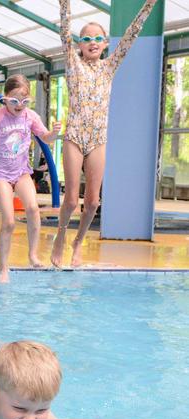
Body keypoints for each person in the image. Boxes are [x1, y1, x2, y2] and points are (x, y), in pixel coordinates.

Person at [51, 0, 159, 268]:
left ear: (105, 44)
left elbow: (131, 35)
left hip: (98, 139)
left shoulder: (110, 67)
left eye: (98, 38)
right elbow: (64, 31)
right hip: (75, 136)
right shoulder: (72, 64)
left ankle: (78, 242)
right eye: (86, 38)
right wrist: (65, 4)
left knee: (93, 202)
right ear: (79, 44)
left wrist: (148, 6)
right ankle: (61, 235)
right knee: (71, 199)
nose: (93, 42)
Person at [0, 74, 61, 283]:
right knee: (8, 221)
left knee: (33, 209)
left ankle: (32, 254)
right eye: (14, 101)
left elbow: (45, 138)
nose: (19, 106)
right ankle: (3, 268)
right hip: (2, 176)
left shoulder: (30, 116)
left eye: (24, 101)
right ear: (5, 98)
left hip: (22, 172)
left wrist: (55, 133)